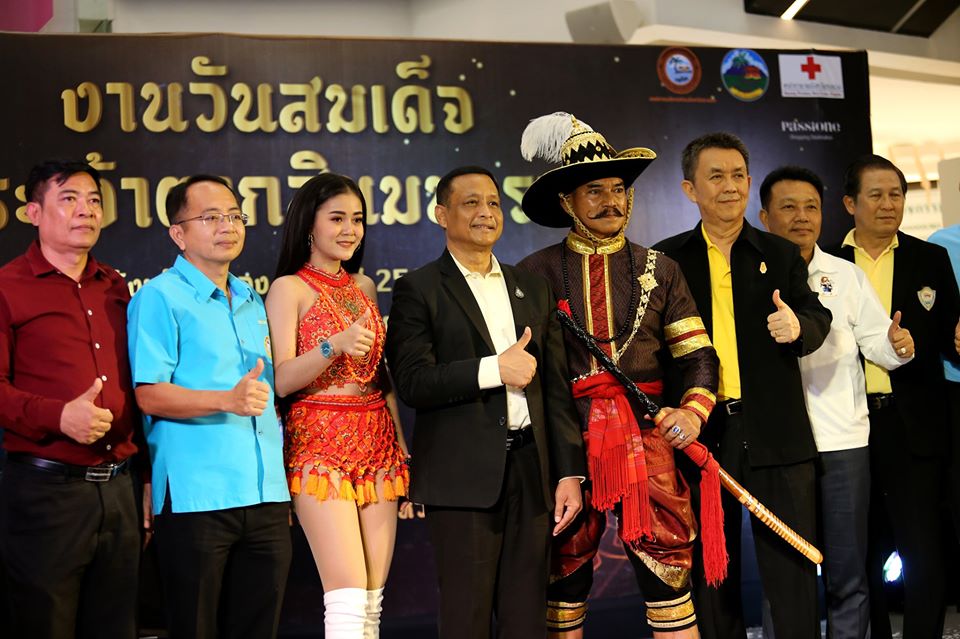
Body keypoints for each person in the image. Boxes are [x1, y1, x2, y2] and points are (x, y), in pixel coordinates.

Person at [517, 112, 719, 638]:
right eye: (595, 191)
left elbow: (699, 357)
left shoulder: (661, 269)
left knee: (668, 574)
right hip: (564, 444)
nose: (612, 201)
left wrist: (692, 413)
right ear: (567, 203)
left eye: (619, 189)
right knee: (562, 579)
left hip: (647, 438)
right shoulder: (534, 274)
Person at [384, 166, 586, 639]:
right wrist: (495, 369)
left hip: (532, 474)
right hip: (461, 479)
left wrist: (568, 472)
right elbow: (412, 381)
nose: (486, 213)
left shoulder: (531, 286)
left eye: (493, 202)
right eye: (471, 202)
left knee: (527, 618)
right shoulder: (419, 288)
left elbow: (555, 389)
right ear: (442, 214)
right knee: (466, 617)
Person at [654, 132, 831, 639]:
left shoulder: (780, 252)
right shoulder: (666, 261)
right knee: (713, 572)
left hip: (778, 434)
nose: (730, 187)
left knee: (793, 573)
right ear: (690, 189)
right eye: (716, 177)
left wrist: (798, 327)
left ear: (750, 182)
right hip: (704, 435)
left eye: (738, 176)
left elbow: (817, 316)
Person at [127, 175, 291, 639]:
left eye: (235, 215)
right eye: (211, 217)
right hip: (198, 500)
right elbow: (149, 394)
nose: (228, 226)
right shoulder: (159, 297)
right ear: (178, 234)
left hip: (265, 495)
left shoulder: (251, 298)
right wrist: (226, 401)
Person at [758, 165, 914, 639]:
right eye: (788, 207)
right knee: (787, 581)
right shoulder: (750, 276)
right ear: (764, 216)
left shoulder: (845, 275)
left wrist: (898, 345)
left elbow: (879, 343)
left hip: (844, 444)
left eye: (811, 207)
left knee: (848, 574)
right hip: (781, 448)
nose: (802, 217)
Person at [0, 159, 146, 639]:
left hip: (119, 489)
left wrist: (144, 479)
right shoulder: (7, 286)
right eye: (69, 199)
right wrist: (58, 416)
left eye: (94, 200)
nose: (86, 210)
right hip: (46, 494)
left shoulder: (115, 286)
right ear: (33, 212)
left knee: (116, 625)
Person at [264, 173, 410, 638]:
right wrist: (334, 345)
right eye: (337, 219)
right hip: (318, 444)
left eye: (357, 219)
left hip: (379, 442)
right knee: (346, 595)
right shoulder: (289, 289)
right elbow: (282, 379)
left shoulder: (364, 286)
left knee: (372, 599)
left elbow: (380, 375)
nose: (350, 229)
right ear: (310, 224)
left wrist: (400, 444)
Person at [830, 154, 960, 638]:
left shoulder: (930, 259)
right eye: (876, 195)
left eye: (896, 195)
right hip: (848, 428)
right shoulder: (827, 262)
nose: (889, 204)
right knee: (861, 550)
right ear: (850, 203)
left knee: (923, 550)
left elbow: (950, 336)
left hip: (915, 428)